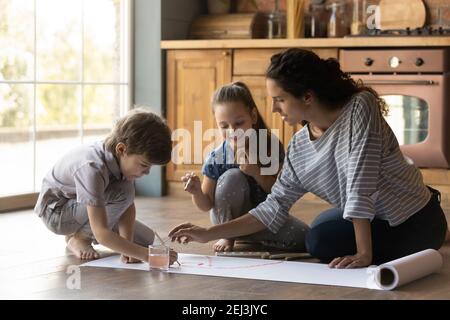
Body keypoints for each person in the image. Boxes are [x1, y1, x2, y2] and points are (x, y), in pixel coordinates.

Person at [169, 49, 449, 268]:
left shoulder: (359, 108)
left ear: (307, 96)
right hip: (374, 216)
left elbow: (359, 183)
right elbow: (273, 206)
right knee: (318, 228)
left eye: (279, 99)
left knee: (320, 241)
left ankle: (440, 233)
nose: (274, 108)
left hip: (413, 217)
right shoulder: (300, 146)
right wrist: (208, 232)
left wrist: (363, 254)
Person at [35, 108, 177, 264]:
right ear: (122, 149)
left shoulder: (121, 161)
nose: (147, 172)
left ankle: (81, 234)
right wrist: (147, 256)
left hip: (84, 207)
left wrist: (129, 248)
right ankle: (80, 239)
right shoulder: (92, 168)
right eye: (144, 165)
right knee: (123, 192)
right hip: (57, 214)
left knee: (146, 239)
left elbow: (128, 206)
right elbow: (101, 232)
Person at [180, 82, 310, 252]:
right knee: (232, 176)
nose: (233, 131)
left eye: (239, 123)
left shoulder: (270, 147)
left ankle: (250, 235)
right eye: (224, 126)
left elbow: (279, 192)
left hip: (262, 220)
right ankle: (229, 235)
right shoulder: (217, 156)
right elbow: (206, 204)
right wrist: (196, 192)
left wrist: (257, 173)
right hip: (225, 221)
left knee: (304, 237)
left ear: (253, 117)